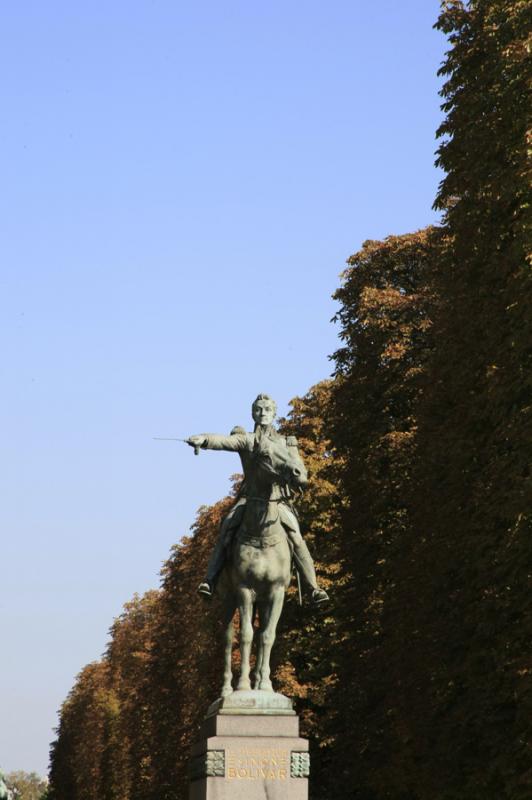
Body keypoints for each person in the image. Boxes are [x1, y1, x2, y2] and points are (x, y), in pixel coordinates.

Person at [188, 393, 329, 606]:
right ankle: (210, 580)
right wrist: (204, 439)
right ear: (253, 413)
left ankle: (313, 588)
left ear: (274, 413)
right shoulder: (247, 439)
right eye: (258, 410)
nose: (263, 413)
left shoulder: (286, 442)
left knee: (296, 536)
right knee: (227, 527)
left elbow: (298, 465)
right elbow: (223, 441)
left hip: (277, 501)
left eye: (267, 410)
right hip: (249, 499)